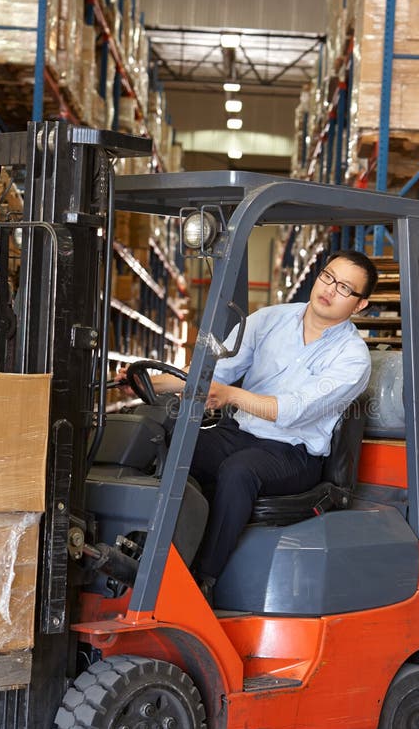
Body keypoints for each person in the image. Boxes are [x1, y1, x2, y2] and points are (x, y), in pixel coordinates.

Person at [119, 250, 377, 603]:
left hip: (294, 452)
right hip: (241, 434)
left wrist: (231, 395)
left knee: (238, 471)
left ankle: (202, 581)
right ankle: (146, 555)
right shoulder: (269, 319)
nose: (330, 289)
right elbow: (211, 373)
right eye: (328, 277)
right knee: (167, 442)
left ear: (360, 304)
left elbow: (292, 411)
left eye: (345, 288)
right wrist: (146, 381)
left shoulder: (352, 357)